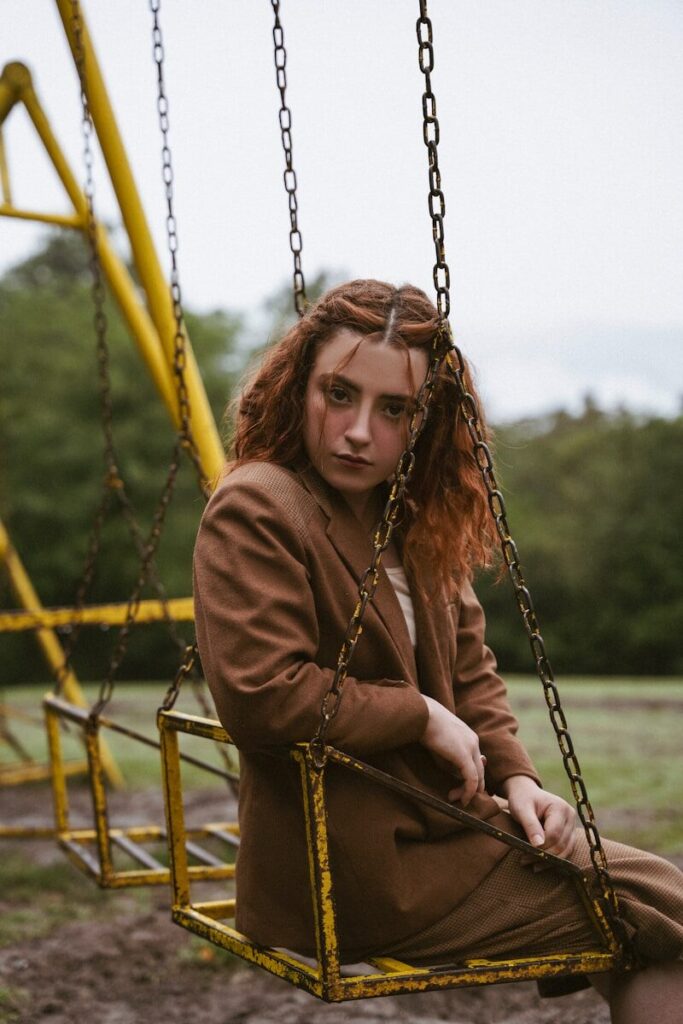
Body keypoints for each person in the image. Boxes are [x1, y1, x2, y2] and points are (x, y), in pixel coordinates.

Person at [193, 279, 683, 1023]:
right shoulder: (260, 503)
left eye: (394, 410)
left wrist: (518, 778)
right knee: (659, 915)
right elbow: (262, 693)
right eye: (339, 394)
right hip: (355, 870)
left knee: (655, 914)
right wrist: (418, 716)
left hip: (447, 834)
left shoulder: (412, 524)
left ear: (427, 422)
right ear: (300, 389)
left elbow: (471, 674)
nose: (359, 431)